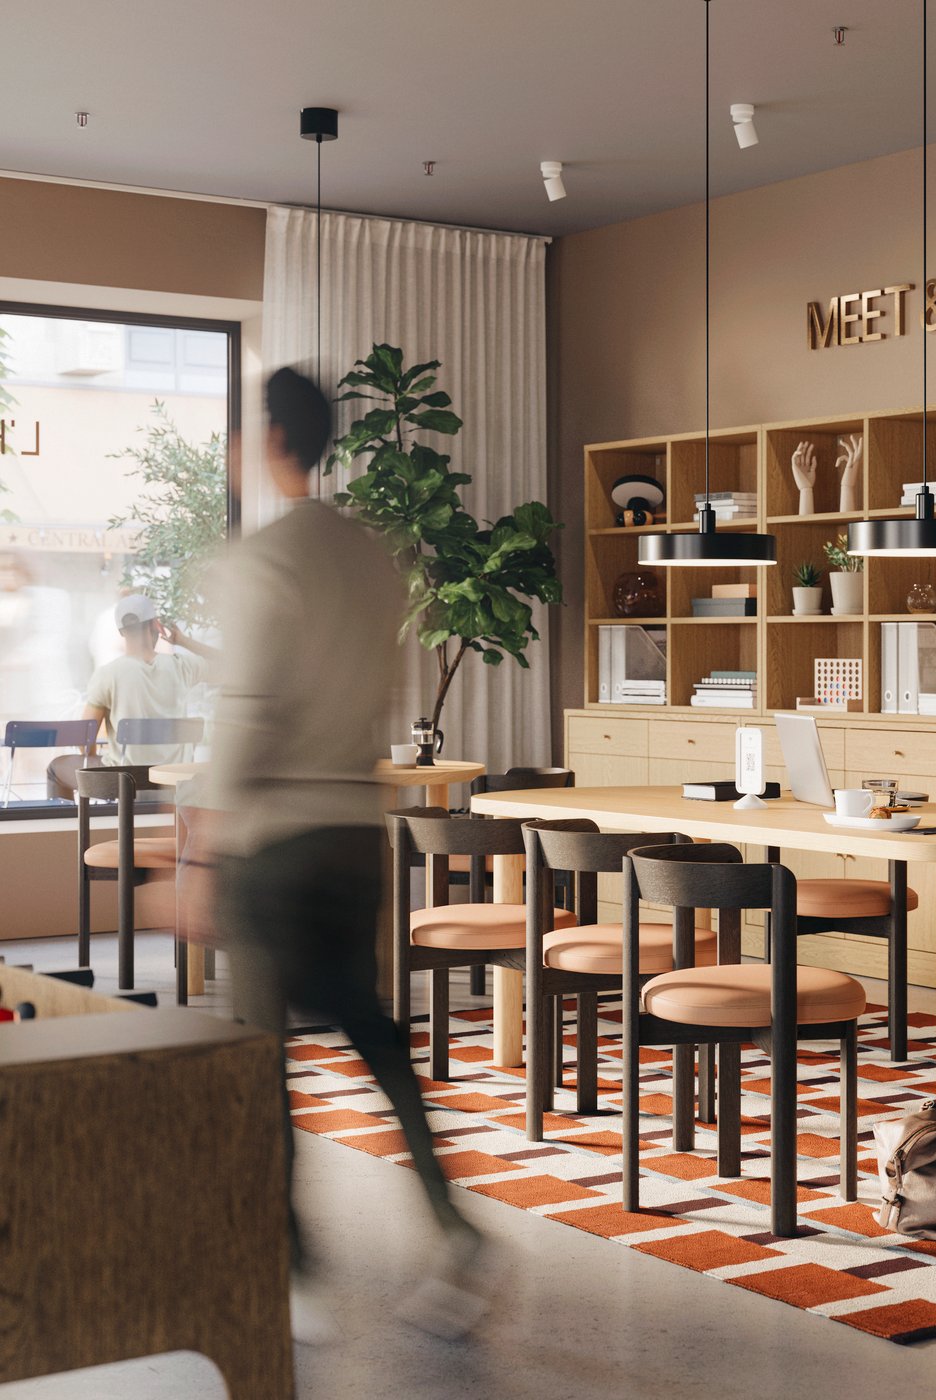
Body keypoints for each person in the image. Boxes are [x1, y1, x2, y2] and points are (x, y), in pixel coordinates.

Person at [203, 366, 482, 1342]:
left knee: (260, 1055)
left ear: (273, 439)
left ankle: (295, 1266)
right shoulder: (376, 556)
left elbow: (246, 711)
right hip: (358, 833)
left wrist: (197, 844)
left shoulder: (261, 560)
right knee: (371, 1031)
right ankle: (452, 1223)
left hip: (272, 841)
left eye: (243, 436)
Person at [81, 592, 218, 766]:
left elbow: (84, 739)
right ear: (155, 625)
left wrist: (92, 763)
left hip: (127, 783)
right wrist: (183, 641)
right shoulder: (183, 666)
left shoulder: (107, 674)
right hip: (174, 780)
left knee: (61, 768)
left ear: (121, 632)